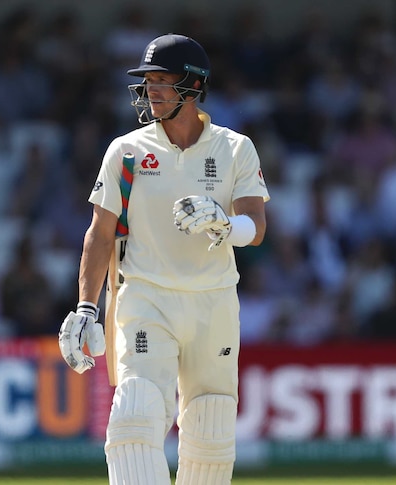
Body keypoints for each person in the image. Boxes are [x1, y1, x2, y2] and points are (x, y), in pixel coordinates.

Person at [58, 34, 269, 484]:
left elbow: (257, 227)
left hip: (213, 301)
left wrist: (224, 224)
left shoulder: (235, 148)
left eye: (162, 80)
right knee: (135, 414)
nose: (151, 90)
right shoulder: (127, 151)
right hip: (146, 297)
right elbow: (99, 232)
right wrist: (84, 307)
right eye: (147, 81)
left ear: (193, 86)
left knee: (210, 425)